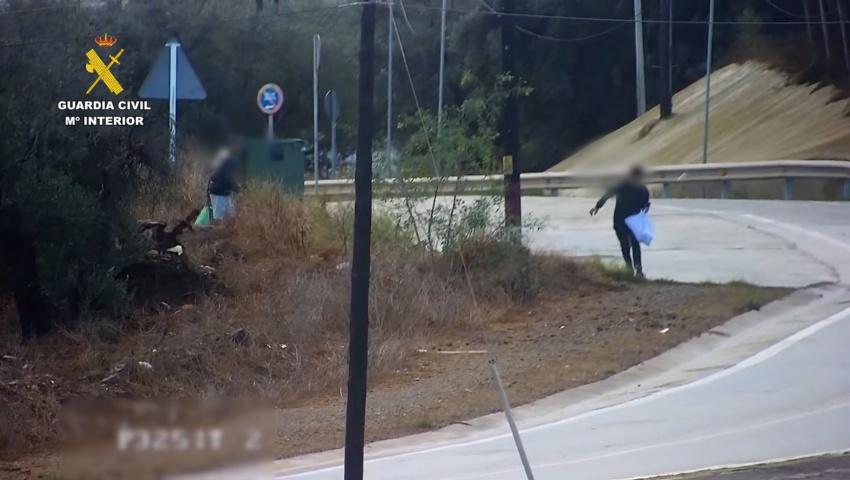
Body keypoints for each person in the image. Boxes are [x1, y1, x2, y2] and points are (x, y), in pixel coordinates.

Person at [589, 165, 650, 278]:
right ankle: (629, 268)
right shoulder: (622, 186)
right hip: (620, 220)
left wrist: (645, 210)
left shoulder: (643, 191)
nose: (636, 182)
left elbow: (645, 206)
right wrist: (597, 207)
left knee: (635, 244)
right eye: (634, 179)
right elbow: (608, 194)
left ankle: (639, 270)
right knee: (625, 245)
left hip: (634, 221)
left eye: (638, 179)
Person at [207, 136, 242, 221]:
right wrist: (237, 189)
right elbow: (228, 177)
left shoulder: (223, 155)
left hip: (221, 191)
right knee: (219, 218)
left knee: (231, 216)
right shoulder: (228, 158)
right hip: (219, 191)